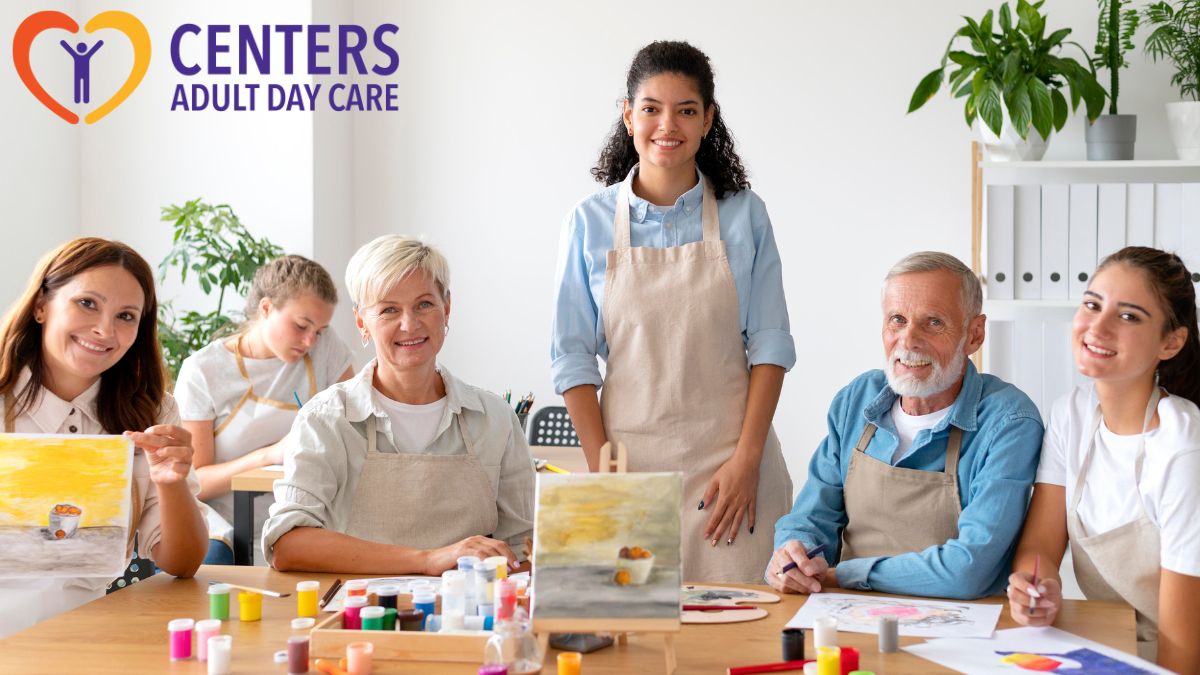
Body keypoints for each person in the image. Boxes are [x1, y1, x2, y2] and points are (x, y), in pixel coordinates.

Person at [551, 40, 795, 583]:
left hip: (732, 474)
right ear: (628, 114)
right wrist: (603, 474)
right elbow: (571, 358)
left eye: (686, 110)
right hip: (631, 470)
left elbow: (772, 346)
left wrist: (747, 461)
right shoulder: (587, 222)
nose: (668, 125)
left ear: (708, 119)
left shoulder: (745, 216)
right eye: (651, 108)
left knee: (740, 647)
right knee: (632, 652)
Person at [770, 252, 1043, 599]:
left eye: (933, 322)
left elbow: (968, 570)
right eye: (897, 319)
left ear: (974, 335)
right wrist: (792, 556)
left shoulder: (1008, 421)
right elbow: (810, 519)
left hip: (964, 630)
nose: (909, 340)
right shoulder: (856, 400)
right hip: (849, 612)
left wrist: (844, 574)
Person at [263, 235, 535, 574]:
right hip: (360, 615)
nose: (410, 324)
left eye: (424, 304)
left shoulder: (496, 419)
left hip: (470, 614)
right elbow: (287, 544)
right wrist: (428, 560)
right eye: (389, 309)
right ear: (362, 322)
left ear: (446, 309)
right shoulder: (326, 419)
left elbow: (525, 546)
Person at [0, 237, 207, 637]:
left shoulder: (152, 412)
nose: (104, 329)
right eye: (87, 303)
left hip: (92, 634)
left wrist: (172, 483)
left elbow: (182, 563)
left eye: (126, 316)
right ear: (42, 305)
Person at [1007, 247, 1200, 671]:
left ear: (1171, 342)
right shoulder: (1070, 415)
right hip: (1116, 645)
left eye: (1128, 316)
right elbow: (1041, 543)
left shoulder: (1183, 448)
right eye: (1092, 304)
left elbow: (1183, 653)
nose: (1097, 326)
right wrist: (1038, 585)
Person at [175, 255, 353, 564]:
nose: (310, 340)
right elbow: (195, 483)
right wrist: (269, 455)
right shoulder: (204, 371)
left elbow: (355, 424)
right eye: (301, 326)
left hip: (306, 519)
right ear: (266, 308)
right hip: (228, 530)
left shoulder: (325, 350)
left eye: (320, 330)